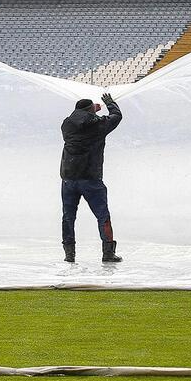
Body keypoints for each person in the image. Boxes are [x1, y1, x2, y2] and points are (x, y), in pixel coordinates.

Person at [60, 93, 123, 263]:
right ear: (90, 111)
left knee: (68, 217)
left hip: (68, 179)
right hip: (91, 179)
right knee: (102, 215)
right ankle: (108, 253)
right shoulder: (98, 126)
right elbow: (117, 117)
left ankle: (69, 255)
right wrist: (109, 103)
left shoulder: (66, 125)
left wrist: (90, 111)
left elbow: (80, 118)